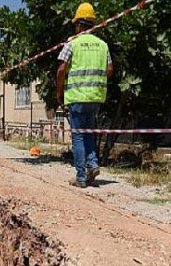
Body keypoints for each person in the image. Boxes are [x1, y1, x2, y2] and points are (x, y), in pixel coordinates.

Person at [57, 2, 113, 188]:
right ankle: (93, 163)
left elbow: (61, 69)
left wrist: (60, 93)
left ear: (79, 24)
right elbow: (110, 69)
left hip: (76, 96)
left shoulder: (72, 43)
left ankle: (81, 176)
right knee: (88, 132)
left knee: (78, 136)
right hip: (96, 97)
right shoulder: (103, 45)